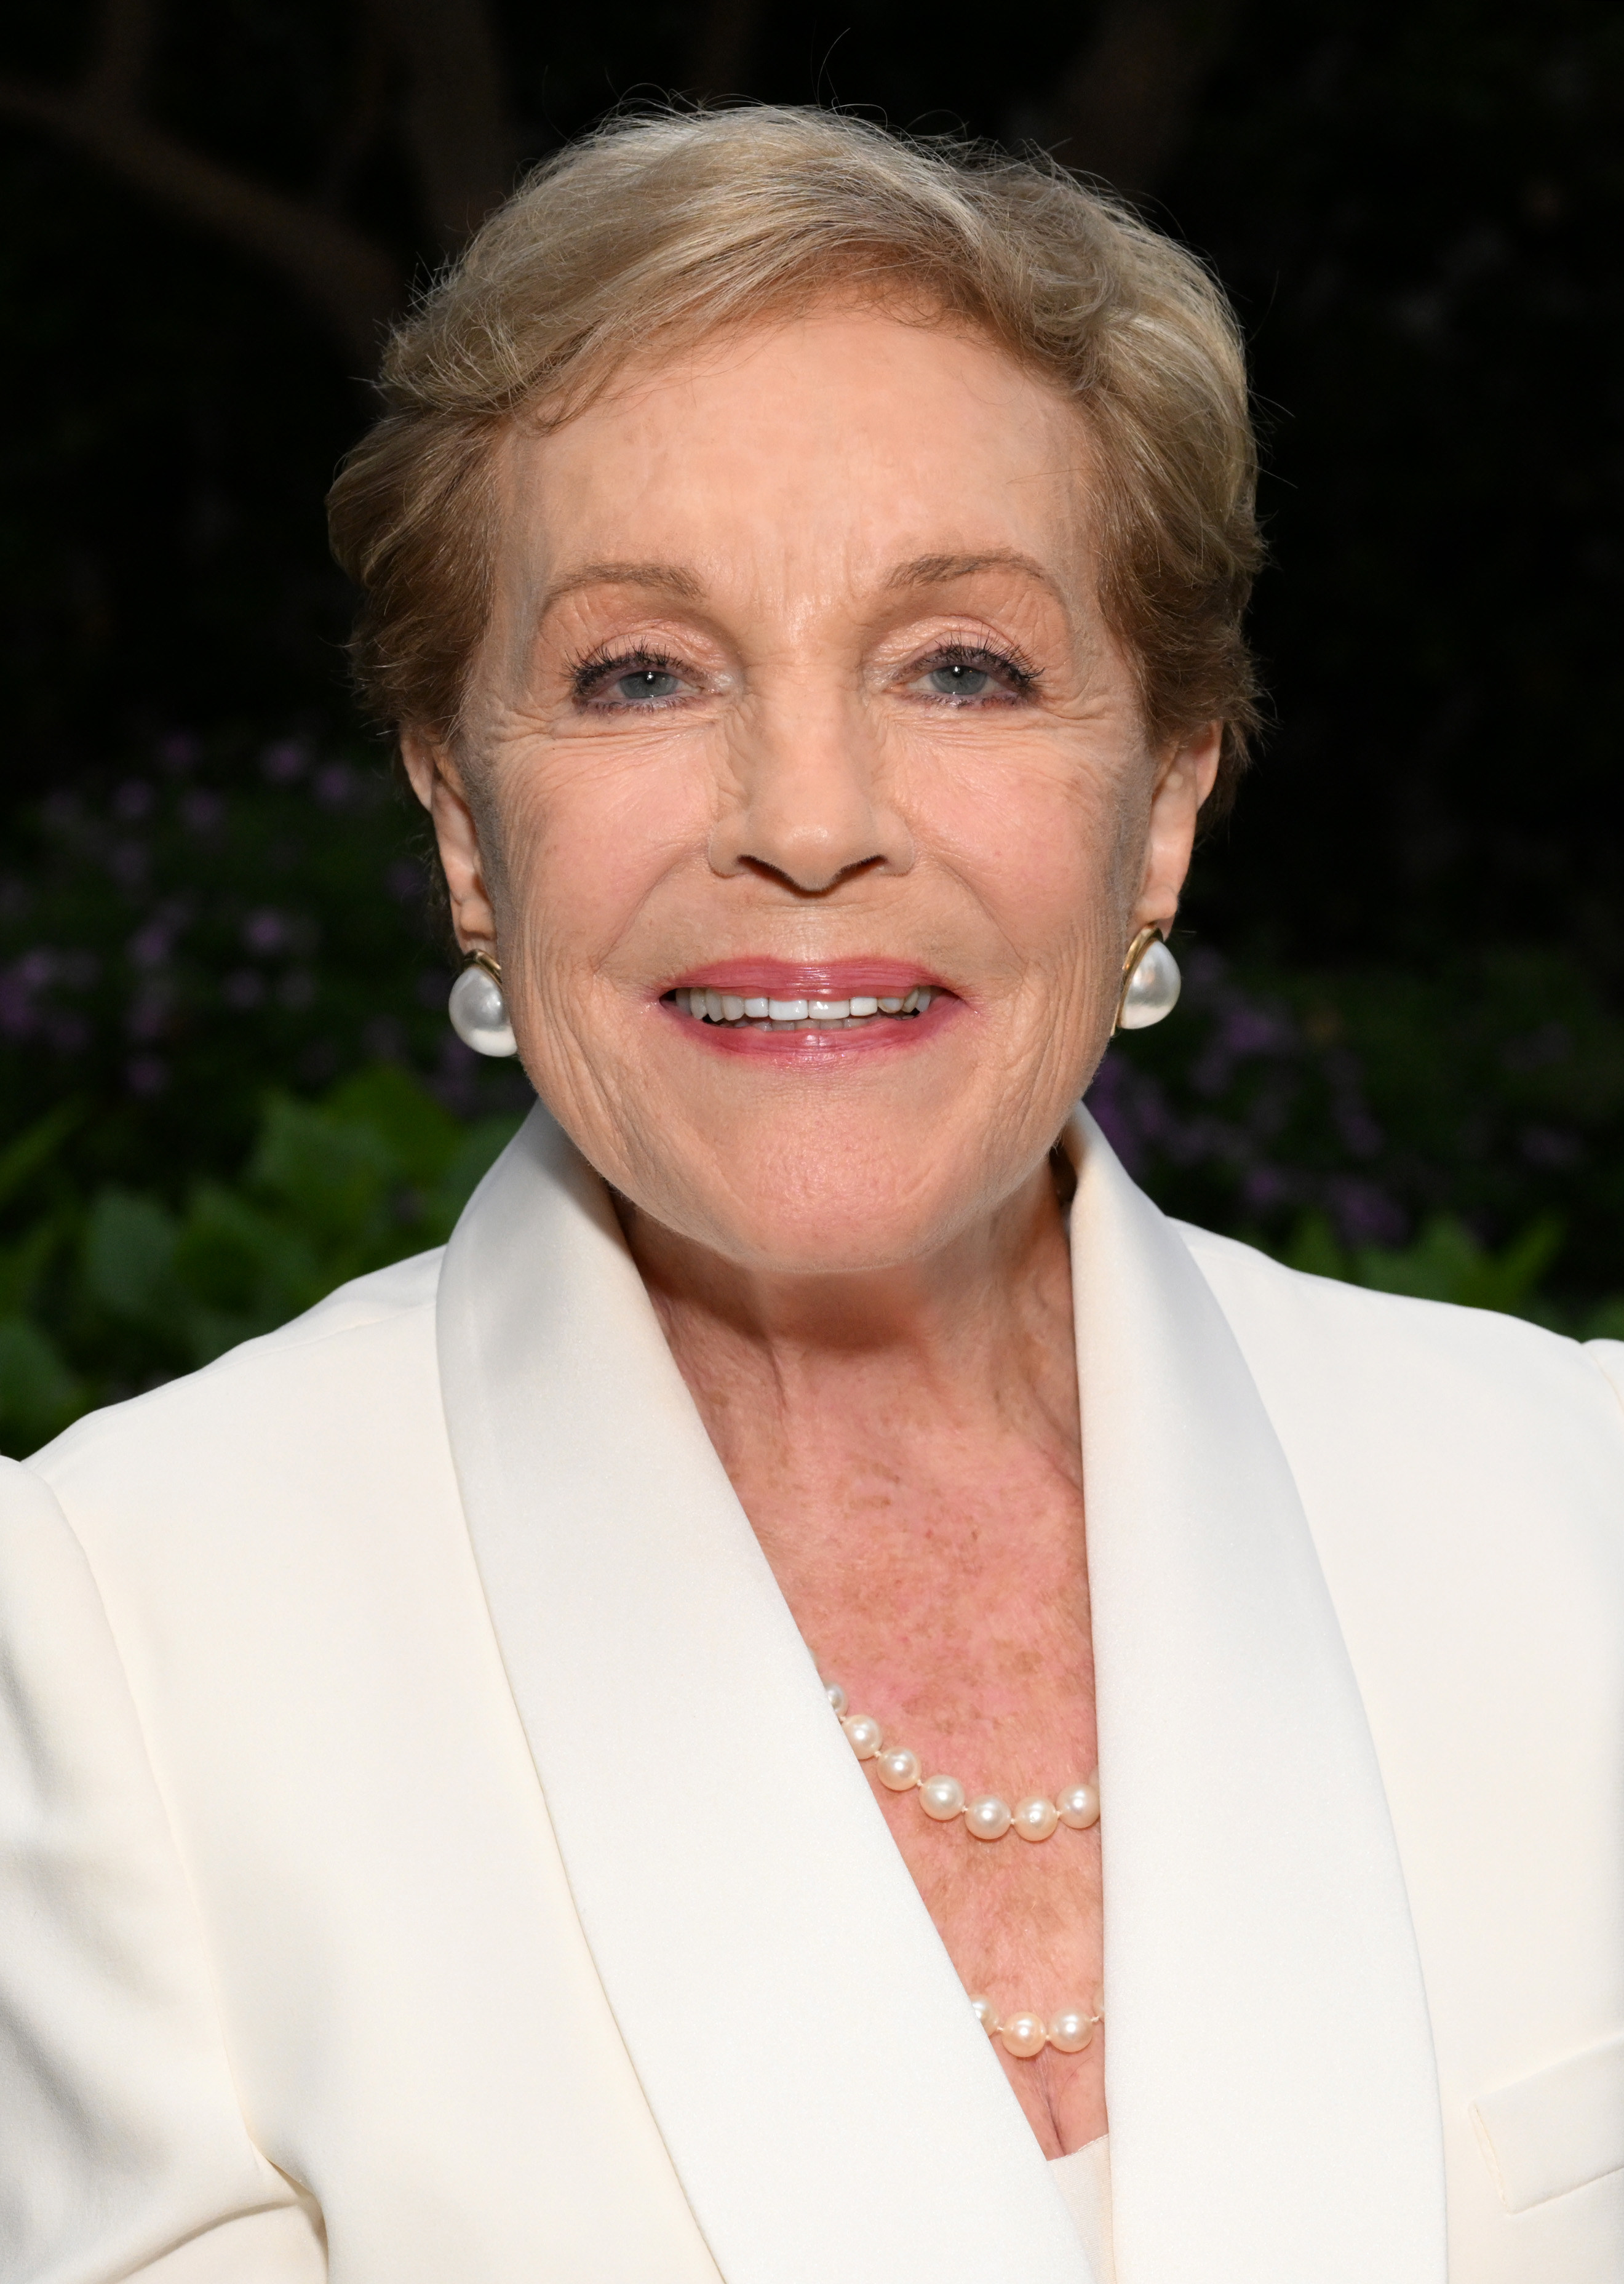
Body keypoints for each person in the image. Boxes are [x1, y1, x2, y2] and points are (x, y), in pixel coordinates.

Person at [1, 106, 1620, 2284]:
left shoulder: (1577, 1508)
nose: (809, 818)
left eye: (961, 664)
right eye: (640, 674)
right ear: (467, 830)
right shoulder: (109, 1638)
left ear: (1161, 809)